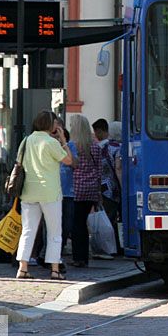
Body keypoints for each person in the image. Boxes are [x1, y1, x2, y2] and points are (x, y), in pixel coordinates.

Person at [16, 110, 73, 280]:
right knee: (55, 232)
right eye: (55, 123)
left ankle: (23, 267)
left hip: (28, 191)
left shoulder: (26, 140)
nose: (57, 126)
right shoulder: (51, 142)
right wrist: (63, 141)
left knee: (28, 230)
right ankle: (54, 270)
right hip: (50, 192)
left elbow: (19, 163)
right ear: (50, 124)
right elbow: (69, 161)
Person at [70, 114, 103, 268]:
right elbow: (99, 170)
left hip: (76, 190)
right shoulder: (95, 146)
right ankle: (85, 257)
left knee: (76, 224)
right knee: (83, 223)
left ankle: (78, 257)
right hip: (90, 190)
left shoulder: (73, 146)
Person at [101, 121, 123, 255]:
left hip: (103, 187)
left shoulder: (102, 145)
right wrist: (123, 187)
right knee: (119, 218)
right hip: (115, 187)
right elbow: (119, 168)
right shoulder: (119, 147)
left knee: (108, 218)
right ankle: (119, 246)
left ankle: (109, 247)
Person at [59, 123, 77, 256]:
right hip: (54, 192)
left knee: (67, 222)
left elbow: (75, 164)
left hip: (68, 192)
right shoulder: (50, 145)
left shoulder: (70, 147)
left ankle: (62, 244)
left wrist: (64, 145)